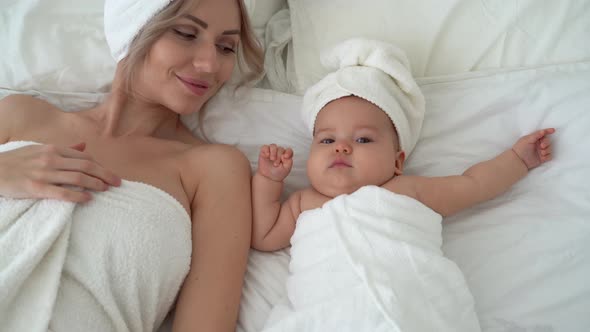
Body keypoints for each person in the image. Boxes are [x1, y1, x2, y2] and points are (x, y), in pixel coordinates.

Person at [249, 38, 555, 331]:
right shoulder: (304, 202)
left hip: (411, 307)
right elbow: (263, 235)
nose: (341, 147)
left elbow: (473, 184)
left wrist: (518, 159)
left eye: (363, 139)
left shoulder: (408, 190)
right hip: (324, 314)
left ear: (397, 161)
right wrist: (268, 181)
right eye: (327, 139)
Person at [0, 0, 263, 331]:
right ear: (134, 28)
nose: (210, 64)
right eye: (185, 33)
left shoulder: (213, 170)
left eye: (226, 47)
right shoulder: (19, 116)